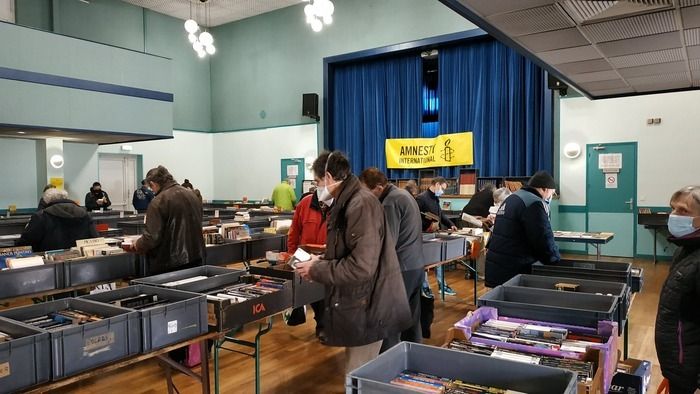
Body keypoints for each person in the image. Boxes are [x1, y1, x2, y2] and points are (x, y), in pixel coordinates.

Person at [294, 151, 411, 374]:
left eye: (317, 182)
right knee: (358, 374)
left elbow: (361, 267)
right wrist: (323, 258)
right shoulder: (351, 200)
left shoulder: (359, 204)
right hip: (364, 303)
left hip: (370, 306)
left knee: (358, 376)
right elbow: (351, 248)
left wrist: (317, 269)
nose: (318, 188)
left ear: (328, 177)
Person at [360, 167, 424, 351]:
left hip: (400, 269)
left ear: (379, 187)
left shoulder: (389, 203)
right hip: (415, 265)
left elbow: (387, 242)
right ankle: (414, 356)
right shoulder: (403, 194)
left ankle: (387, 363)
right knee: (411, 320)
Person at [655, 186, 700, 394]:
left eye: (683, 211)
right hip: (679, 363)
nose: (673, 216)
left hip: (690, 368)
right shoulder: (686, 249)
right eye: (673, 209)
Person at [485, 171, 560, 288]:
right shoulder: (534, 203)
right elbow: (543, 238)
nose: (551, 196)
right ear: (545, 189)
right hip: (514, 268)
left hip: (497, 266)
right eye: (552, 192)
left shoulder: (512, 198)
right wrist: (554, 261)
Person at [130, 166, 206, 276]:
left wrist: (138, 244)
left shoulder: (158, 201)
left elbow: (151, 237)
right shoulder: (192, 195)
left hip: (170, 263)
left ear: (152, 184)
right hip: (197, 257)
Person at [286, 176, 329, 338]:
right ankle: (319, 321)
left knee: (324, 294)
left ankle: (324, 325)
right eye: (318, 182)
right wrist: (291, 255)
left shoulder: (339, 204)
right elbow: (294, 232)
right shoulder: (304, 204)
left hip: (325, 257)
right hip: (302, 255)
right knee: (307, 292)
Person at [19, 188, 98, 252]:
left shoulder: (41, 216)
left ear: (46, 200)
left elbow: (26, 242)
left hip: (49, 263)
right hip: (80, 261)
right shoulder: (84, 214)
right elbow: (95, 238)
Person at [416, 177, 458, 297]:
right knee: (425, 262)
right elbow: (416, 217)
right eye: (443, 189)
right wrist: (428, 225)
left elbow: (440, 215)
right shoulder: (421, 198)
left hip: (434, 233)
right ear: (437, 184)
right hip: (423, 234)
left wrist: (451, 224)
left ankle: (442, 285)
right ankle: (425, 287)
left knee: (439, 259)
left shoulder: (435, 198)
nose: (443, 192)